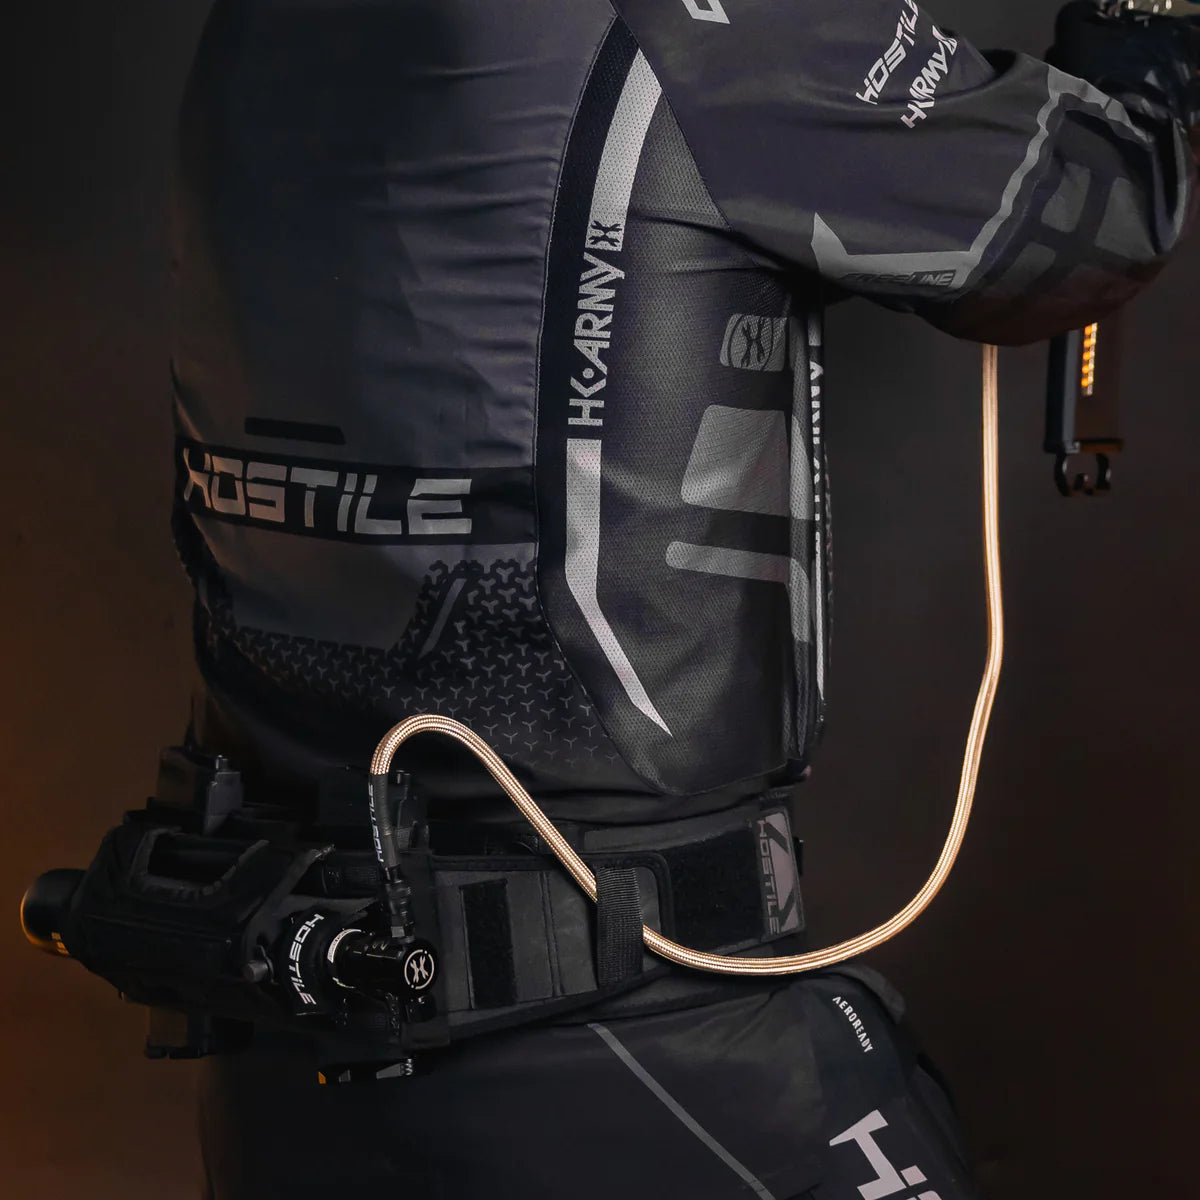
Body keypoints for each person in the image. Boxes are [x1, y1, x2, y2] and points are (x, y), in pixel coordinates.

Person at [151, 1, 1199, 1196]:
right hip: (629, 1018)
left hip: (283, 1027)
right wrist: (1142, 34)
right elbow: (1084, 209)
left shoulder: (255, 27)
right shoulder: (704, 23)